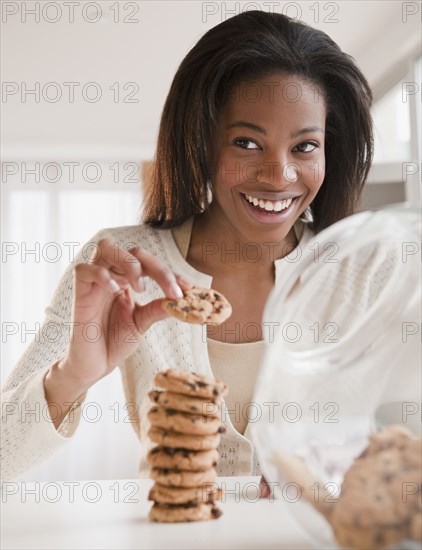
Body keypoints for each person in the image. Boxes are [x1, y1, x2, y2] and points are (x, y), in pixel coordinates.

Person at [1, 11, 374, 481]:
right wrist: (73, 373)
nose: (280, 176)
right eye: (247, 142)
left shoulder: (359, 271)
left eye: (304, 147)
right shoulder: (121, 265)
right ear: (200, 142)